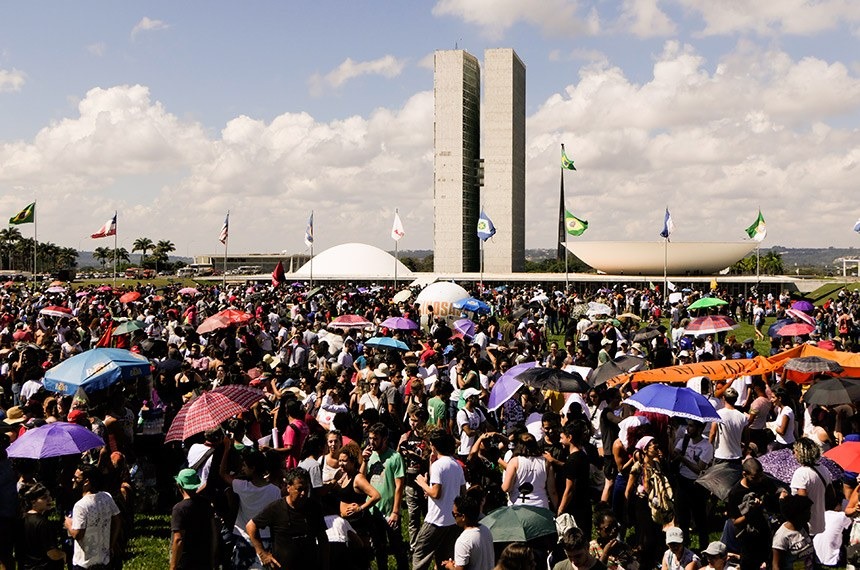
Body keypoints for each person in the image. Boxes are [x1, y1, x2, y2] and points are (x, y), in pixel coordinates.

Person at [246, 467, 330, 570]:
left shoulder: (314, 507)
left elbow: (322, 537)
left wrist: (325, 563)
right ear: (288, 487)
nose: (303, 493)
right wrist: (263, 554)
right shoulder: (275, 508)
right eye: (299, 489)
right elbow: (251, 526)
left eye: (306, 489)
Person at [218, 443, 281, 569]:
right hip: (266, 538)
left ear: (252, 468)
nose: (242, 468)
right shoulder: (274, 490)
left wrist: (226, 450)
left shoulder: (241, 486)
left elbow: (223, 473)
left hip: (243, 537)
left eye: (245, 466)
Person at [412, 429, 466, 570]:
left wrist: (422, 483)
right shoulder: (456, 465)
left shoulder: (438, 466)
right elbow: (462, 491)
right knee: (443, 557)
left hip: (436, 520)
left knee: (420, 554)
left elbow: (436, 493)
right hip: (451, 520)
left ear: (433, 446)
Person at [362, 422, 408, 570]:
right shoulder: (370, 456)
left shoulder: (395, 457)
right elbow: (360, 480)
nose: (371, 442)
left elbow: (399, 486)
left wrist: (395, 512)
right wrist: (364, 461)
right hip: (373, 510)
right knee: (378, 548)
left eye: (375, 439)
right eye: (370, 438)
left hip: (389, 512)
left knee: (397, 547)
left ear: (385, 439)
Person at [64, 464, 122, 570]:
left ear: (86, 481)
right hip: (104, 559)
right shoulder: (106, 497)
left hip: (84, 562)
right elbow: (117, 519)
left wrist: (68, 524)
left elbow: (78, 534)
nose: (73, 480)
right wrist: (111, 544)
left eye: (76, 478)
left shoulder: (80, 505)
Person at [169, 468, 218, 570]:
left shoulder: (179, 509)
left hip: (186, 562)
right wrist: (213, 559)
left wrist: (173, 567)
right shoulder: (206, 504)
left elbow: (178, 539)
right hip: (205, 560)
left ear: (179, 485)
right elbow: (214, 532)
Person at [502, 432, 558, 510]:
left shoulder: (514, 462)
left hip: (518, 507)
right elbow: (552, 491)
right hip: (540, 506)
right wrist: (558, 509)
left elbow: (506, 488)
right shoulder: (546, 462)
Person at [17, 482, 66, 569]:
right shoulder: (43, 523)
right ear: (33, 501)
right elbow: (52, 553)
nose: (49, 499)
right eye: (44, 498)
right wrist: (63, 555)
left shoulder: (21, 519)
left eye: (49, 496)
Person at [790, 437, 832, 535]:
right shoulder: (823, 469)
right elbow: (830, 495)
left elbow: (802, 503)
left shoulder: (801, 473)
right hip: (821, 524)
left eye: (795, 451)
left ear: (801, 453)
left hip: (807, 527)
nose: (793, 453)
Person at [442, 494, 494, 570]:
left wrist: (450, 566)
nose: (454, 517)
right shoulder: (486, 530)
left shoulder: (463, 540)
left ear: (463, 517)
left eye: (454, 514)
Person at [771, 494, 815, 570]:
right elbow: (776, 566)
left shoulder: (804, 527)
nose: (810, 514)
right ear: (797, 514)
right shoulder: (782, 537)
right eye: (807, 511)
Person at [709, 388, 746, 465]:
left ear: (723, 398)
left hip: (720, 455)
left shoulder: (718, 414)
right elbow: (746, 438)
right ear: (736, 399)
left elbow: (712, 433)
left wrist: (708, 449)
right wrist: (744, 450)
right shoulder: (742, 417)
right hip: (736, 456)